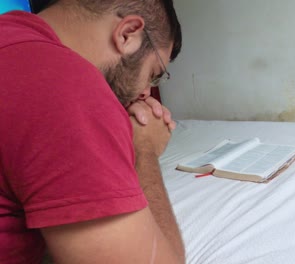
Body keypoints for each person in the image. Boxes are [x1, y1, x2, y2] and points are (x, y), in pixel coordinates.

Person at [0, 0, 185, 263]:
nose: (146, 91)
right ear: (127, 33)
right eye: (154, 74)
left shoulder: (12, 38)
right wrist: (144, 149)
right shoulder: (66, 84)